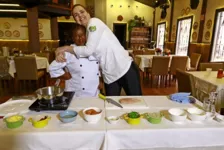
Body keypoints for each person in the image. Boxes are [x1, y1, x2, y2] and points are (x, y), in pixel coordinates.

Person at [55, 4, 142, 96]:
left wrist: (65, 48)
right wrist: (62, 54)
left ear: (88, 13)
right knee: (110, 106)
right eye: (76, 15)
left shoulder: (94, 22)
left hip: (125, 69)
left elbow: (88, 51)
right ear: (75, 20)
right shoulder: (88, 34)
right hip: (109, 75)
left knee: (137, 104)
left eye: (82, 12)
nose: (80, 15)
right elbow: (93, 55)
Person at [49, 24, 100, 97]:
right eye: (77, 36)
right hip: (76, 94)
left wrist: (100, 80)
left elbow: (97, 67)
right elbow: (52, 68)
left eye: (82, 35)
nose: (80, 38)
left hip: (94, 93)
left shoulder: (92, 50)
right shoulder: (68, 52)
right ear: (73, 38)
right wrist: (64, 75)